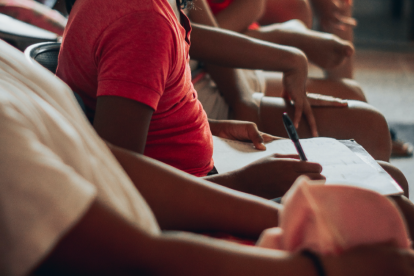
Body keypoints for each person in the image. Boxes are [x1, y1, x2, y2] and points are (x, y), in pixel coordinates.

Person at [3, 37, 414, 276]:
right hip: (174, 242)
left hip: (189, 203)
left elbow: (108, 162)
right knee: (391, 201)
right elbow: (138, 252)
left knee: (386, 202)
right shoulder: (141, 22)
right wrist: (326, 266)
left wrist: (302, 218)